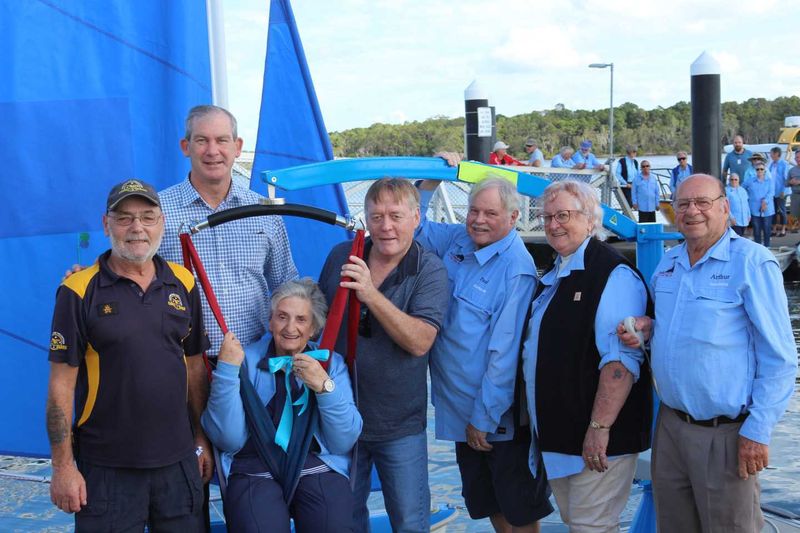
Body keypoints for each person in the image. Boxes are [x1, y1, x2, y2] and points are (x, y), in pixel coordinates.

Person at [618, 174, 797, 533]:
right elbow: (676, 335)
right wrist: (648, 332)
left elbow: (780, 358)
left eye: (703, 202)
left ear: (725, 207)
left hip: (727, 434)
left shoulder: (752, 263)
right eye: (683, 204)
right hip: (671, 427)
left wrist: (758, 431)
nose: (692, 211)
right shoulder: (669, 265)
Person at [46, 179, 212, 530]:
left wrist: (201, 438)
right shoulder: (77, 291)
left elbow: (195, 367)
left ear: (161, 223)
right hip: (107, 472)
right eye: (124, 218)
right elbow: (60, 387)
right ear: (106, 225)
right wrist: (63, 467)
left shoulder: (183, 282)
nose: (137, 228)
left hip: (178, 465)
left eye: (147, 217)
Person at [415, 175, 554, 532]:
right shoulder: (461, 239)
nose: (479, 220)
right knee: (489, 503)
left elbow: (504, 355)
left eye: (490, 213)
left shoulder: (515, 271)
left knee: (519, 510)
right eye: (473, 210)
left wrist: (485, 417)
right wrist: (430, 182)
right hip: (460, 409)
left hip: (495, 417)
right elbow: (414, 228)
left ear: (512, 218)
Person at [319, 178, 449, 533]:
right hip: (339, 419)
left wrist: (370, 293)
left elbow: (420, 341)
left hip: (399, 425)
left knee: (409, 522)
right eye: (376, 216)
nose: (386, 226)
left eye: (396, 215)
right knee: (342, 520)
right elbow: (318, 317)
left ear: (416, 217)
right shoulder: (341, 256)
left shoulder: (430, 270)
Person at [521, 180, 652, 532]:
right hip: (563, 439)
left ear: (591, 220)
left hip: (596, 440)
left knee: (591, 526)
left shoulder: (612, 274)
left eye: (563, 215)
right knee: (579, 523)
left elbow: (620, 364)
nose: (553, 224)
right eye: (546, 217)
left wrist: (599, 428)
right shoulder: (558, 271)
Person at [201, 279, 361, 533]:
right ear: (270, 321)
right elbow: (228, 439)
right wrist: (227, 371)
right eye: (282, 317)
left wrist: (324, 387)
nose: (290, 328)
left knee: (334, 526)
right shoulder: (245, 361)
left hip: (317, 466)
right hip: (254, 469)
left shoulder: (331, 364)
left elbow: (343, 441)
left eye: (301, 319)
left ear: (314, 328)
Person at [159, 104, 298, 359]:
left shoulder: (265, 212)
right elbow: (128, 277)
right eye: (202, 140)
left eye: (222, 140)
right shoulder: (157, 212)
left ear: (237, 146)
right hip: (180, 365)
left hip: (252, 365)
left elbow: (286, 285)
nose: (213, 151)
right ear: (185, 146)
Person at [744, 162, 774, 246]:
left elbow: (771, 192)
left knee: (767, 230)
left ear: (765, 170)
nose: (760, 170)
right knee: (756, 230)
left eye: (761, 169)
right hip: (754, 209)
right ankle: (758, 248)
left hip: (768, 209)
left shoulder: (770, 181)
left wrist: (765, 202)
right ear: (755, 170)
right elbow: (742, 188)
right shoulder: (750, 181)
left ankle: (767, 247)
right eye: (758, 169)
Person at [769, 146, 790, 237]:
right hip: (772, 192)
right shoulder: (771, 164)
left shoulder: (784, 164)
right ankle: (774, 229)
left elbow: (786, 179)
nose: (770, 155)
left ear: (777, 154)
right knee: (773, 211)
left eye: (772, 153)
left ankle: (783, 229)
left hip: (781, 191)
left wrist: (783, 191)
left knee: (782, 210)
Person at [787, 149, 800, 225]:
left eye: (799, 157)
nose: (798, 159)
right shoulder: (791, 170)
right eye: (797, 157)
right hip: (795, 196)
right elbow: (786, 183)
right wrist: (790, 182)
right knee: (795, 219)